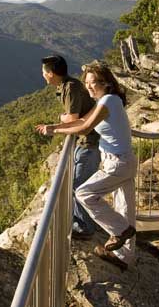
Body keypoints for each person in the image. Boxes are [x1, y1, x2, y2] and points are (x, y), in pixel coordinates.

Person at [40, 63, 137, 271]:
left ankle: (120, 230)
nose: (90, 87)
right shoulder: (103, 100)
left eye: (95, 82)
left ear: (107, 83)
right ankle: (124, 257)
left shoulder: (108, 101)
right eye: (87, 82)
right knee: (125, 208)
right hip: (123, 160)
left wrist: (55, 133)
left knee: (84, 193)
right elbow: (83, 119)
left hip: (117, 163)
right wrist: (54, 126)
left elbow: (84, 128)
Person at [35, 55, 102, 240]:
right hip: (83, 142)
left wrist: (59, 120)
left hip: (88, 143)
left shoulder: (71, 88)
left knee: (78, 185)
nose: (42, 75)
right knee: (77, 184)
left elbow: (72, 118)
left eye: (44, 72)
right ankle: (82, 221)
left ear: (51, 73)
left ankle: (85, 227)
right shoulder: (65, 87)